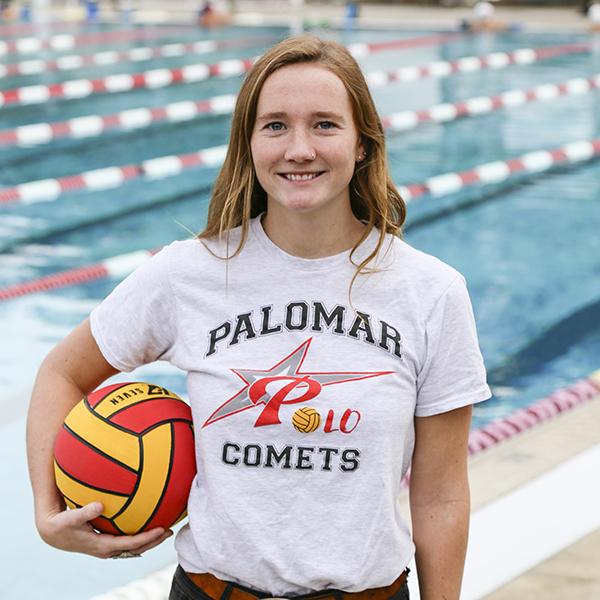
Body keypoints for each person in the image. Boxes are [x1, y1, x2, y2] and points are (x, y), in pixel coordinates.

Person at [27, 35, 491, 600]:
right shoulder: (188, 273)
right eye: (275, 126)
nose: (299, 149)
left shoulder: (430, 292)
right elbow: (63, 372)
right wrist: (48, 514)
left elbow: (441, 495)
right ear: (247, 144)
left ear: (363, 143)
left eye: (324, 124)